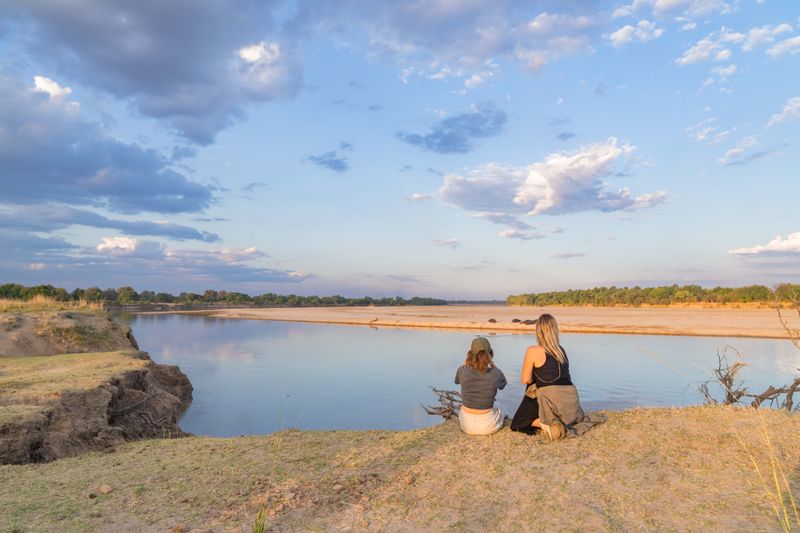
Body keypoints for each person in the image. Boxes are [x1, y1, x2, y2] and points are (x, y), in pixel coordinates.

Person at [510, 314, 602, 439]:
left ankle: (545, 424)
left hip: (550, 399)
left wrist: (535, 380)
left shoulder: (533, 350)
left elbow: (525, 379)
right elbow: (566, 378)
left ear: (538, 331)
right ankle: (557, 422)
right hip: (569, 401)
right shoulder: (561, 350)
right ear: (555, 331)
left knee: (518, 422)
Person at [454, 337, 507, 435]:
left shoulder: (462, 370)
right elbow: (503, 384)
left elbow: (457, 381)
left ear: (470, 355)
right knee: (498, 405)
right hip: (487, 426)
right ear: (490, 354)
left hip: (466, 425)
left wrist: (466, 361)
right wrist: (492, 364)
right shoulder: (496, 373)